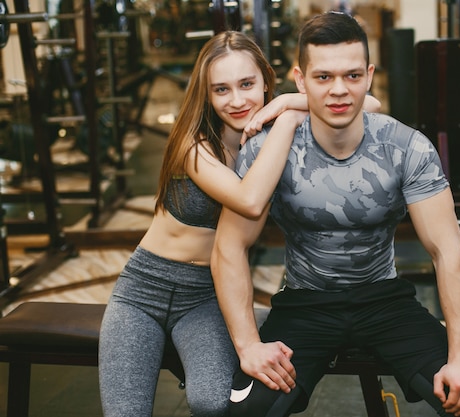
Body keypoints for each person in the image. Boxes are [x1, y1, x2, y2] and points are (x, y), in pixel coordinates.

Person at [211, 12, 460, 417]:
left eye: (352, 76)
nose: (339, 90)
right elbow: (229, 247)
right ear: (300, 80)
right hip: (305, 302)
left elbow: (449, 251)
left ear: (370, 75)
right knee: (248, 411)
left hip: (384, 300)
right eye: (323, 77)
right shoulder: (267, 150)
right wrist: (249, 346)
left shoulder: (406, 147)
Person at [98, 30, 381, 417]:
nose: (236, 101)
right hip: (143, 290)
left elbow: (374, 104)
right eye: (221, 90)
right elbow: (249, 200)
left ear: (266, 78)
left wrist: (286, 103)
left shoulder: (275, 126)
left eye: (247, 84)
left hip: (206, 297)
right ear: (208, 95)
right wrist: (289, 117)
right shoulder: (192, 143)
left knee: (212, 404)